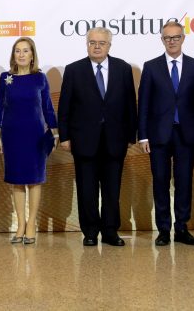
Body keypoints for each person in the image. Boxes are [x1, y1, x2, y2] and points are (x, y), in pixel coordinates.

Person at [58, 27, 137, 246]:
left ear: (109, 45)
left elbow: (130, 104)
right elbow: (65, 106)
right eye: (92, 42)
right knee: (87, 189)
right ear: (87, 44)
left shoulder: (122, 68)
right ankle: (90, 232)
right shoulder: (74, 70)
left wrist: (131, 135)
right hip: (84, 141)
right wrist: (64, 136)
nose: (97, 46)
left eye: (102, 43)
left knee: (112, 189)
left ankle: (111, 231)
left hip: (115, 140)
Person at [138, 20, 194, 246]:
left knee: (184, 181)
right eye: (168, 38)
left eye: (176, 37)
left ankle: (182, 228)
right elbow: (144, 104)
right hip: (158, 135)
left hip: (187, 135)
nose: (172, 41)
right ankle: (164, 230)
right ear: (162, 40)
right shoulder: (151, 66)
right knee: (160, 181)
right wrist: (143, 135)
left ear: (183, 38)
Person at [0, 37, 57, 244]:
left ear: (32, 55)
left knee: (34, 180)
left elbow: (47, 107)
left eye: (25, 51)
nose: (21, 54)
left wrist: (55, 133)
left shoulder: (40, 78)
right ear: (13, 55)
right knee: (17, 181)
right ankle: (20, 225)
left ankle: (32, 224)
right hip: (11, 135)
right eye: (17, 51)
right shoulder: (5, 78)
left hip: (36, 135)